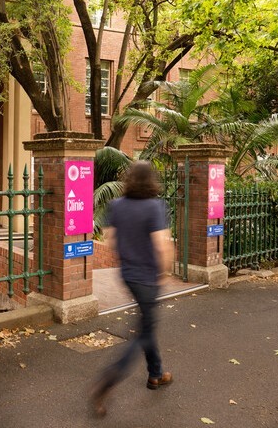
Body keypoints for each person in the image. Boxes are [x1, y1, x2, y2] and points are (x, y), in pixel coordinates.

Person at [90, 161, 175, 417]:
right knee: (143, 333)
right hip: (148, 278)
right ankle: (109, 378)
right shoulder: (155, 206)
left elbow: (110, 240)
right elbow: (162, 245)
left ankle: (156, 374)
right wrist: (164, 272)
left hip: (128, 275)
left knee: (147, 324)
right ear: (151, 180)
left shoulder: (117, 205)